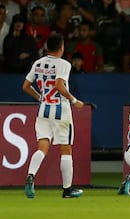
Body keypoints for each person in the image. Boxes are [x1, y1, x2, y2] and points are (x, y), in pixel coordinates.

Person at [22, 33, 84, 199]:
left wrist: (39, 97)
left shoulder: (38, 63)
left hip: (43, 110)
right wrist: (73, 100)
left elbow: (26, 86)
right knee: (66, 148)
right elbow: (58, 85)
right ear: (61, 47)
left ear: (47, 47)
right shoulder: (64, 64)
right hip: (60, 111)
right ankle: (67, 189)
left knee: (42, 147)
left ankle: (31, 175)